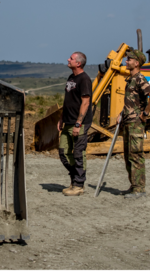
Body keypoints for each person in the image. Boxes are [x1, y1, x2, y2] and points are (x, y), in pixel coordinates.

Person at [120, 49, 150, 199]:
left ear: (136, 63)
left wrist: (145, 113)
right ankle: (134, 185)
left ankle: (139, 189)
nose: (126, 61)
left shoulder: (140, 78)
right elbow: (132, 102)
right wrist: (121, 114)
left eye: (129, 59)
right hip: (128, 122)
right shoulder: (131, 79)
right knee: (128, 155)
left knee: (135, 155)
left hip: (136, 123)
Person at [58, 52, 93, 196]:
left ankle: (78, 185)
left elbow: (85, 102)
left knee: (78, 154)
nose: (68, 59)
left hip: (79, 123)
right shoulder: (71, 77)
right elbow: (68, 100)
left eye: (71, 58)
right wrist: (62, 118)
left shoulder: (84, 79)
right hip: (67, 121)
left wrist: (78, 124)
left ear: (78, 63)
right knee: (63, 152)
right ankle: (74, 180)